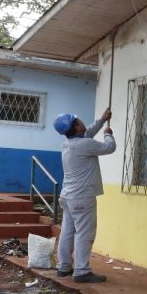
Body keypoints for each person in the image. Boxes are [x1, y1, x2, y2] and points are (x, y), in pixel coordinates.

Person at [52, 108, 115, 283]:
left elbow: (87, 133)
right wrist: (108, 133)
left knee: (67, 232)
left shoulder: (68, 144)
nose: (81, 122)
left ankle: (64, 267)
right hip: (82, 197)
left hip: (68, 197)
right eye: (78, 121)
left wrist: (102, 120)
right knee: (84, 234)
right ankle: (81, 271)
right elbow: (110, 148)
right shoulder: (85, 145)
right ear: (77, 128)